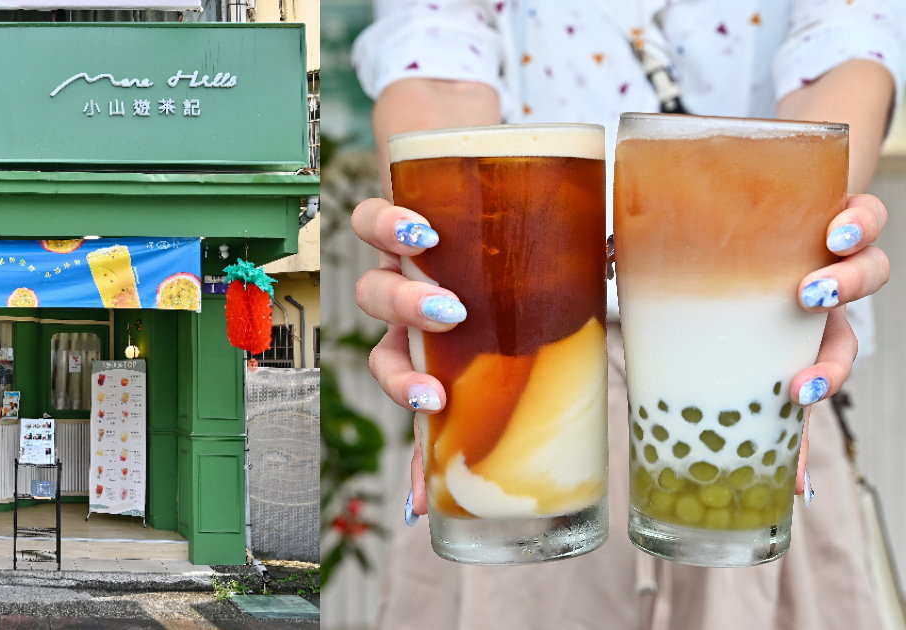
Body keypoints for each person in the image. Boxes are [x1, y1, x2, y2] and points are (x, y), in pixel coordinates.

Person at [348, 2, 901, 629]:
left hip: (758, 352)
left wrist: (801, 240)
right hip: (526, 367)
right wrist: (439, 234)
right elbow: (436, 66)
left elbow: (842, 57)